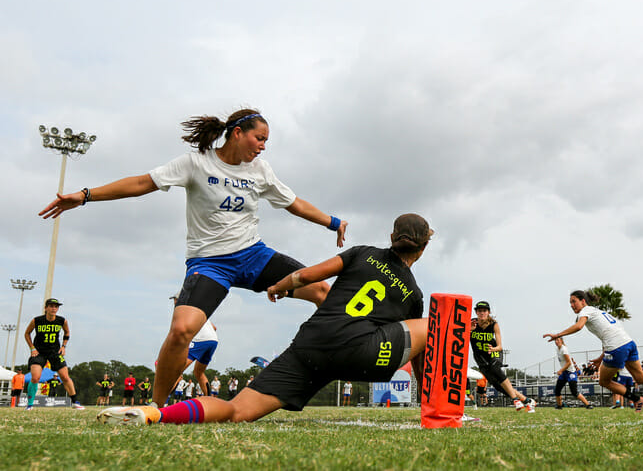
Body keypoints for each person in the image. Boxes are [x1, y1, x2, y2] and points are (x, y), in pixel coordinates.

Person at [39, 109, 348, 408]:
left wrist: (333, 222)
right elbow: (139, 184)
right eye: (260, 138)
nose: (264, 146)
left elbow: (295, 203)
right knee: (181, 331)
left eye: (267, 141)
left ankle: (320, 361)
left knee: (322, 291)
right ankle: (155, 407)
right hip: (211, 264)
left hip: (255, 256)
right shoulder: (194, 164)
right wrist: (85, 195)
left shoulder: (261, 170)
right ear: (237, 133)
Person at [97, 213, 431, 426]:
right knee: (434, 326)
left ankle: (155, 413)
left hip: (310, 345)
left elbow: (308, 275)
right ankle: (440, 406)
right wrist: (428, 397)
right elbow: (419, 354)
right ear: (424, 246)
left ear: (391, 237)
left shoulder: (362, 253)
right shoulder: (413, 293)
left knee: (236, 410)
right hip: (360, 356)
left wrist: (281, 286)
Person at [543, 290, 643, 412]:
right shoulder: (598, 312)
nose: (571, 305)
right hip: (628, 343)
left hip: (617, 347)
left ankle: (637, 399)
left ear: (583, 301)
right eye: (570, 303)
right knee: (640, 378)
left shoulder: (586, 311)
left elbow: (578, 327)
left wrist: (558, 334)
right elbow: (609, 334)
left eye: (574, 301)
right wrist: (601, 357)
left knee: (604, 381)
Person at [470, 301, 535, 412]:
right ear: (476, 312)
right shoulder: (471, 324)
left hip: (494, 352)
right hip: (480, 357)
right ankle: (527, 400)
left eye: (484, 311)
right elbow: (460, 338)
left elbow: (500, 346)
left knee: (495, 369)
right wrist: (468, 330)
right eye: (479, 311)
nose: (482, 313)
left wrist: (493, 349)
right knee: (497, 385)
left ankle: (515, 400)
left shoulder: (494, 324)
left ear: (488, 312)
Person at [23, 298, 84, 410]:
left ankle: (75, 402)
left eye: (56, 306)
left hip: (54, 352)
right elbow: (27, 333)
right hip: (39, 353)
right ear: (46, 308)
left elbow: (67, 332)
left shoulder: (62, 321)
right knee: (35, 377)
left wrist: (63, 346)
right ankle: (30, 404)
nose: (54, 308)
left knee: (65, 376)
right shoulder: (37, 320)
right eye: (51, 306)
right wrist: (32, 348)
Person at [170, 294, 218, 397]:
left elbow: (180, 331)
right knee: (199, 372)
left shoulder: (183, 310)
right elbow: (214, 327)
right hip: (213, 340)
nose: (174, 302)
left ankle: (162, 402)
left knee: (177, 370)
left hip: (200, 341)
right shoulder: (198, 310)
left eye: (175, 300)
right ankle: (208, 400)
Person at [552, 337, 592, 410]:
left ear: (561, 341)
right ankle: (559, 406)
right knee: (557, 390)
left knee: (574, 392)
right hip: (564, 372)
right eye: (555, 340)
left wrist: (560, 370)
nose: (556, 341)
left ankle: (588, 405)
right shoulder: (557, 349)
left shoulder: (564, 349)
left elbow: (569, 363)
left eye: (558, 340)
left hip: (570, 372)